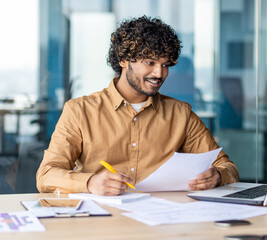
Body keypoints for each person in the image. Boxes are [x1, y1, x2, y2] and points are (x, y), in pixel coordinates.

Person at [36, 16, 239, 196]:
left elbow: (227, 166)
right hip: (101, 221)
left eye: (165, 65)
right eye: (150, 62)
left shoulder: (180, 113)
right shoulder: (80, 111)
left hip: (163, 220)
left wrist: (218, 176)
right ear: (124, 60)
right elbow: (46, 175)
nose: (159, 74)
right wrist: (90, 182)